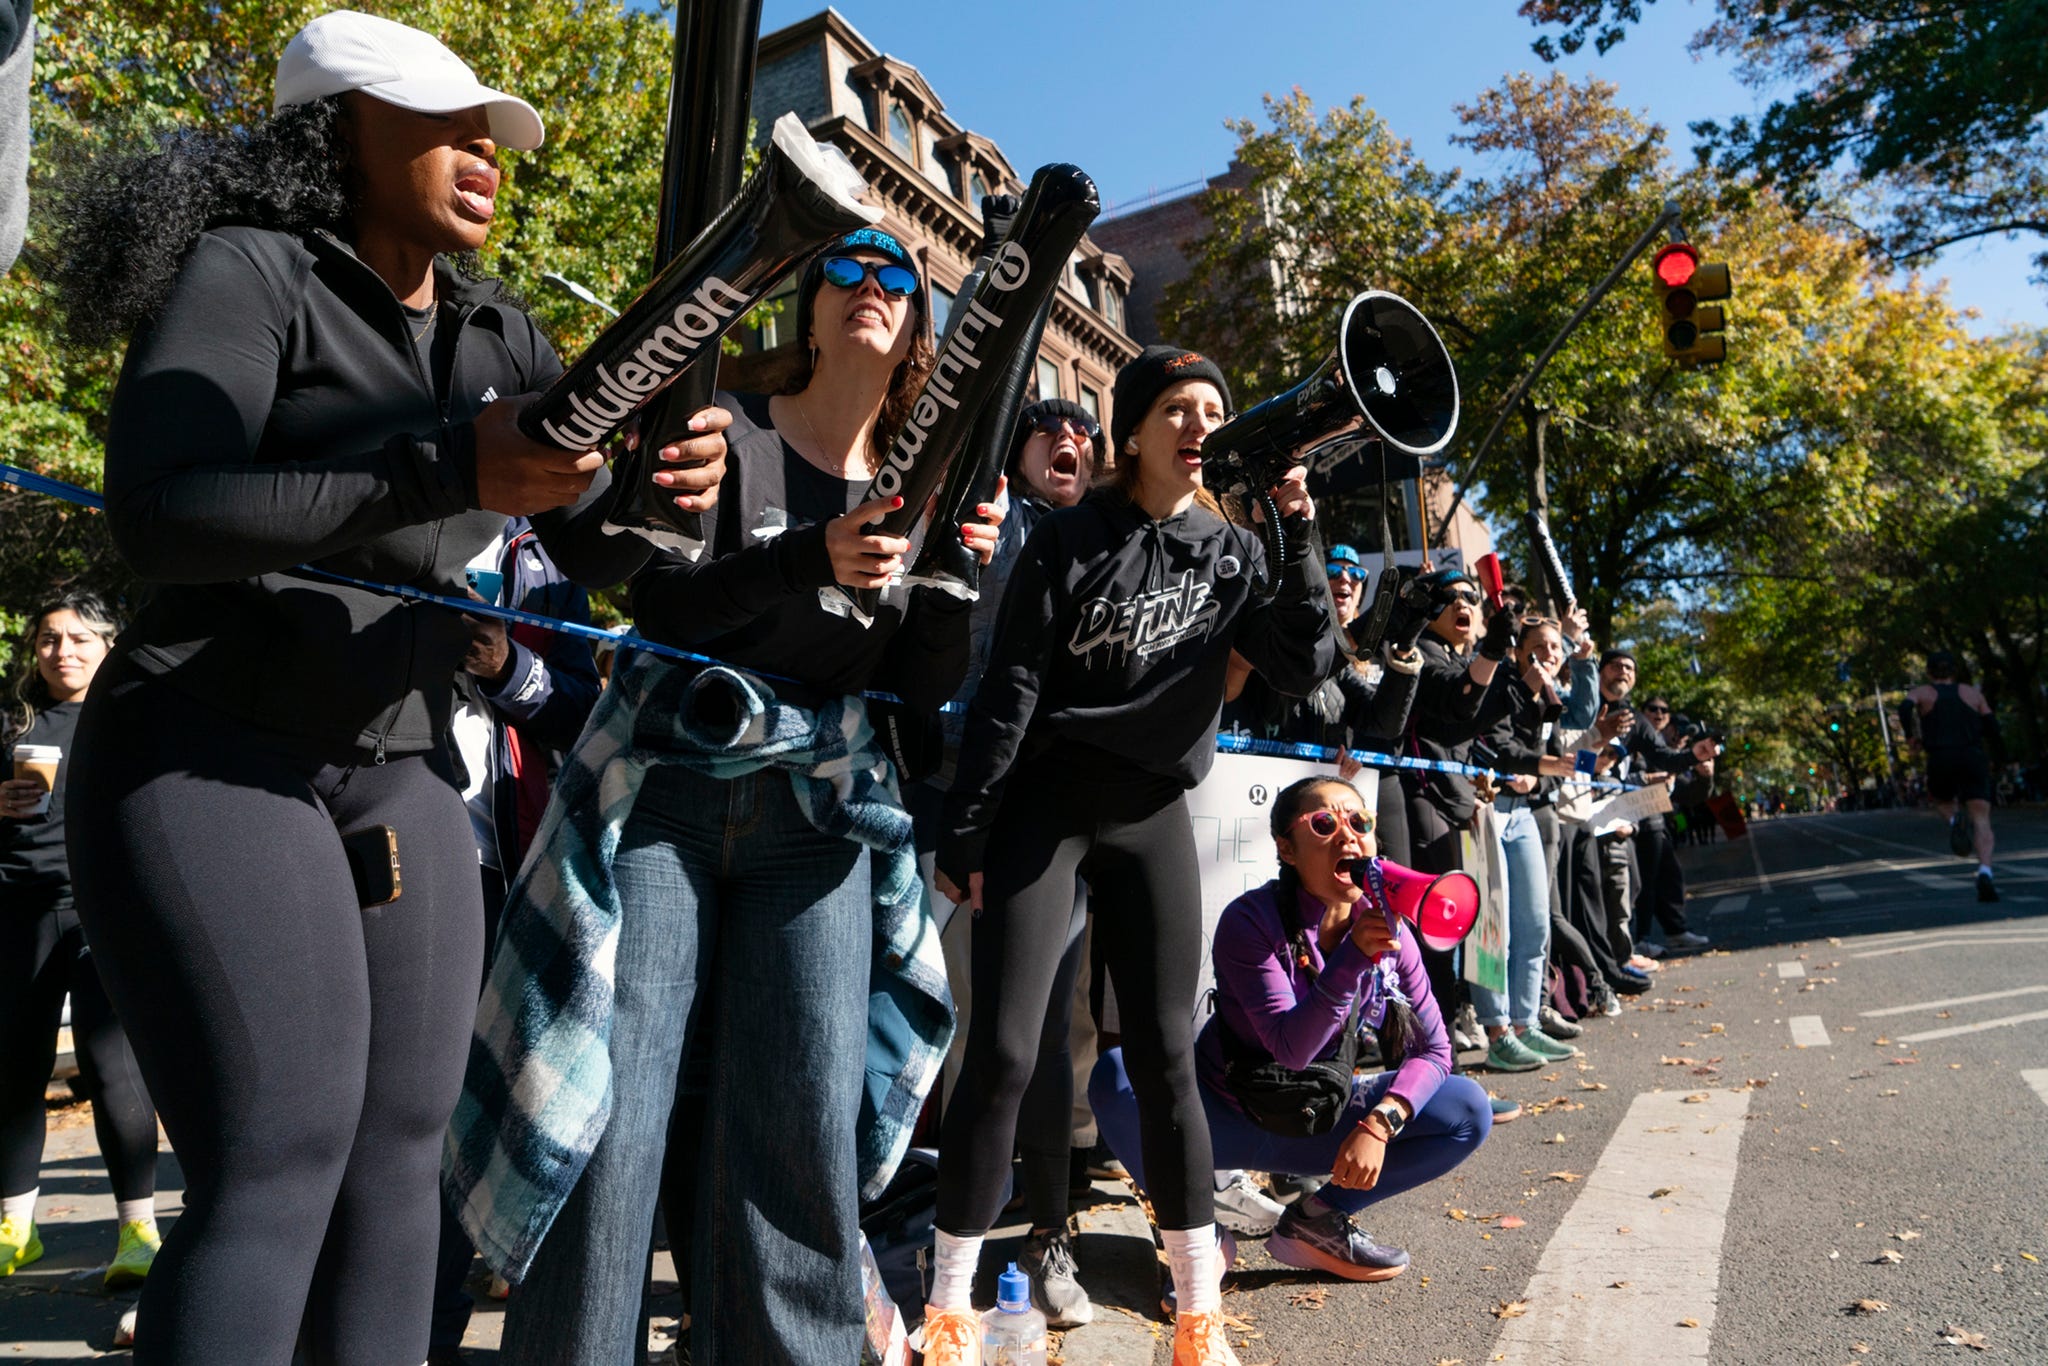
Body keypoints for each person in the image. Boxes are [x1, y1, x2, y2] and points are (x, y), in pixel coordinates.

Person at [52, 14, 730, 1363]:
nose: (486, 149)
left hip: (405, 757)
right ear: (335, 131)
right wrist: (438, 470)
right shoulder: (251, 273)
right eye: (444, 120)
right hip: (206, 746)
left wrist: (656, 498)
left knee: (408, 1168)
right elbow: (164, 510)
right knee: (279, 1153)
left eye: (494, 131)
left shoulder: (502, 328)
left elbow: (584, 545)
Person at [456, 225, 997, 1364]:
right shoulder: (728, 432)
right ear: (805, 306)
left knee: (801, 1131)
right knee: (615, 1114)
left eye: (895, 275)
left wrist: (952, 581)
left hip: (818, 819)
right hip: (666, 797)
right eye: (841, 266)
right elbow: (664, 609)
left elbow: (917, 686)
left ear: (917, 337)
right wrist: (810, 556)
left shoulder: (923, 485)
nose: (867, 286)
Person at [925, 345, 1333, 1366]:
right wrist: (967, 828)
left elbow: (1306, 663)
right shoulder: (1066, 536)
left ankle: (1197, 1314)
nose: (1198, 425)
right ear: (1135, 429)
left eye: (1212, 409)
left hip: (1153, 814)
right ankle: (947, 1311)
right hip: (1043, 811)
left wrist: (1298, 527)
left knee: (1163, 1055)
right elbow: (1009, 688)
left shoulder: (1235, 551)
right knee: (1006, 1054)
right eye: (1176, 409)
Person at [1089, 776, 1489, 1281]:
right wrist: (1351, 960)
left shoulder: (1389, 929)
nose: (1348, 835)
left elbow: (1434, 1050)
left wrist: (1381, 1122)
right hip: (1219, 1121)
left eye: (1359, 822)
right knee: (1116, 1076)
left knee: (1467, 1108)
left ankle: (1314, 1222)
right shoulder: (1249, 922)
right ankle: (1195, 1235)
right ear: (1287, 849)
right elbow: (1290, 1049)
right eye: (1324, 823)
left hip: (1322, 1120)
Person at [914, 396, 1106, 1329]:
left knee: (1044, 1049)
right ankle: (920, 1247)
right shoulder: (975, 523)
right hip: (940, 809)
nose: (1070, 444)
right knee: (929, 1030)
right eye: (1048, 433)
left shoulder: (1107, 543)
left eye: (1086, 438)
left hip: (1049, 827)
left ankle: (1048, 1240)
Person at [429, 520, 603, 1364]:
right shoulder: (388, 508)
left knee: (493, 1106)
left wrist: (506, 668)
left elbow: (579, 707)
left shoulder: (546, 561)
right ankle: (408, 1330)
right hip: (397, 848)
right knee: (410, 1111)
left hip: (512, 865)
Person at [1, 595, 162, 1286]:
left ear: (107, 644)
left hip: (104, 909)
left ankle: (138, 1231)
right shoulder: (13, 721)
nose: (61, 650)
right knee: (13, 1072)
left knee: (111, 1067)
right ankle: (14, 1228)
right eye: (47, 639)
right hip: (18, 908)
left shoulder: (133, 712)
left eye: (77, 638)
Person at [1470, 617, 1589, 1070]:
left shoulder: (1550, 698)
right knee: (1492, 929)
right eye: (1537, 646)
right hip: (1487, 807)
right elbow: (1497, 743)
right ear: (1518, 652)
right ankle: (1496, 1031)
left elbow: (1548, 761)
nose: (1549, 654)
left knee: (1536, 923)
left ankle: (1526, 1023)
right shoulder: (1502, 684)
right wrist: (1539, 764)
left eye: (1555, 646)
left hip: (1524, 814)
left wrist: (1539, 771)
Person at [1902, 650, 1999, 901]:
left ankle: (1955, 822)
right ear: (1954, 671)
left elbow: (1904, 707)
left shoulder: (1923, 693)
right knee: (1982, 817)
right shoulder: (1972, 693)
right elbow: (1992, 725)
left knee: (1942, 801)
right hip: (1972, 756)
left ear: (1929, 672)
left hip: (1941, 757)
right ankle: (1985, 871)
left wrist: (1910, 735)